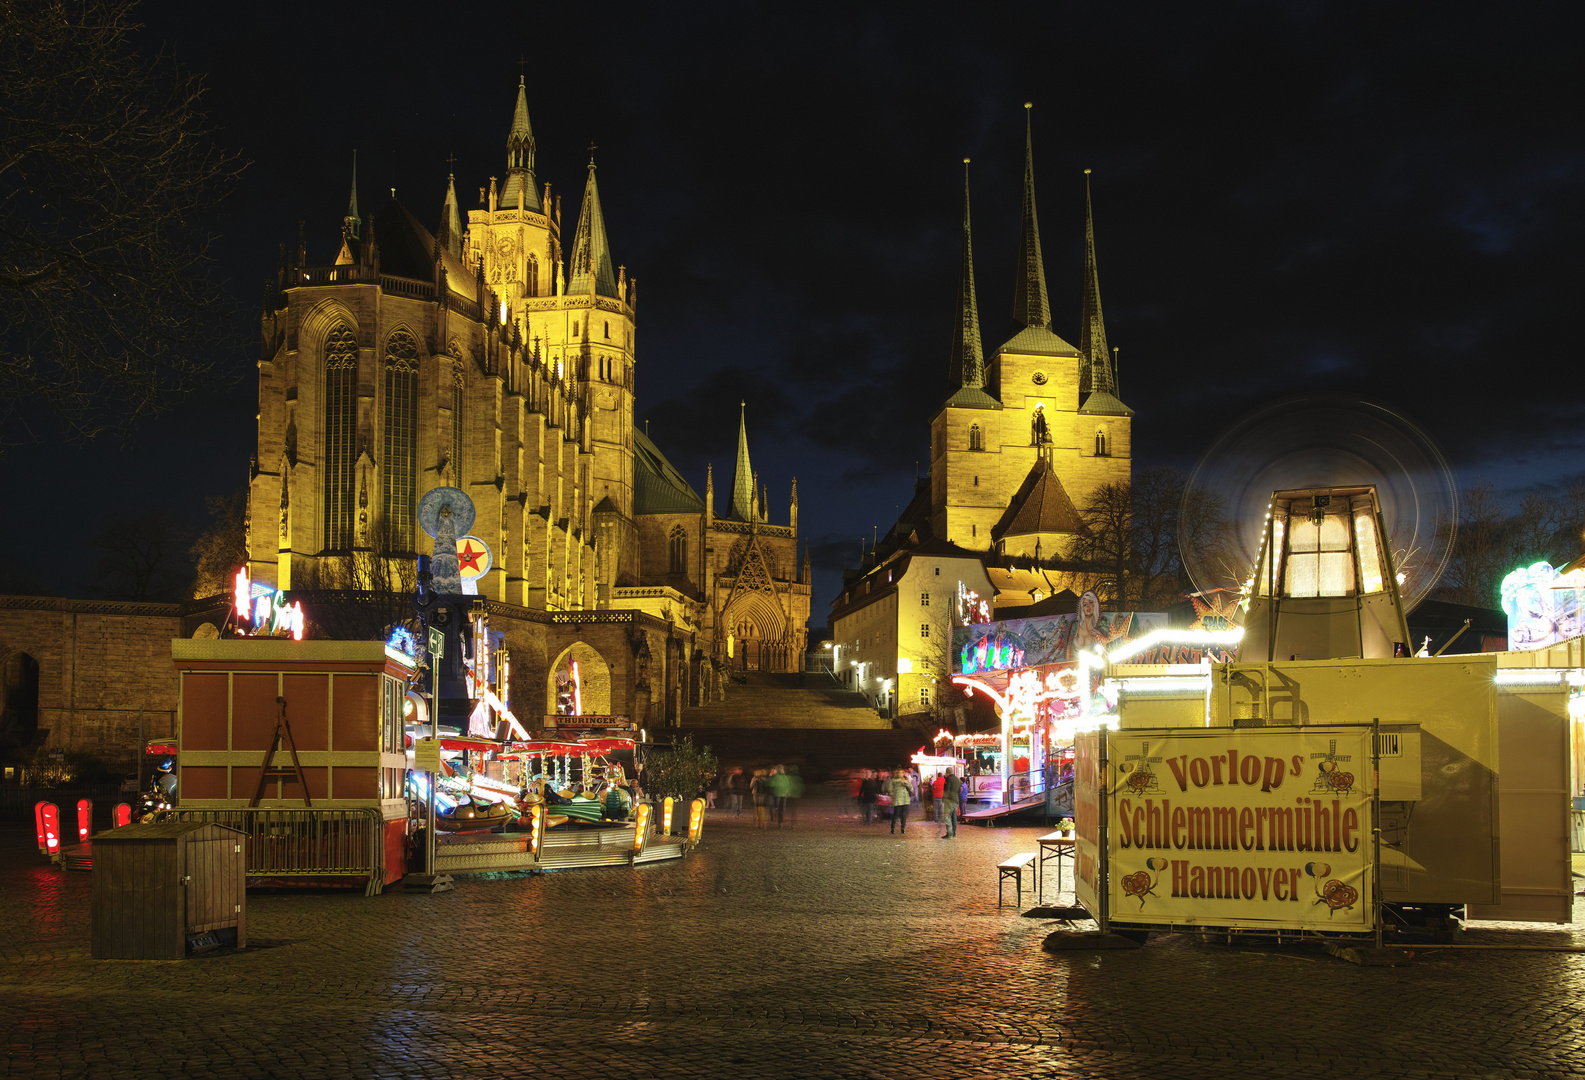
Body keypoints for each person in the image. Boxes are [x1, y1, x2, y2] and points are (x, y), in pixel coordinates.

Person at [888, 767, 912, 834]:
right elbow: (890, 789)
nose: (901, 774)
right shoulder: (893, 781)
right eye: (900, 773)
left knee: (904, 815)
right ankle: (892, 828)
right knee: (896, 814)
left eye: (902, 773)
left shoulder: (905, 780)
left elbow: (910, 787)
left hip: (905, 799)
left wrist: (906, 782)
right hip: (898, 799)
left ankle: (903, 828)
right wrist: (893, 795)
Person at [940, 767, 960, 838]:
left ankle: (949, 834)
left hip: (949, 800)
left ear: (947, 773)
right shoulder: (957, 779)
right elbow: (959, 791)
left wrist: (944, 799)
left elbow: (946, 790)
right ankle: (954, 833)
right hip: (955, 800)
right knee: (954, 817)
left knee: (947, 817)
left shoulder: (948, 779)